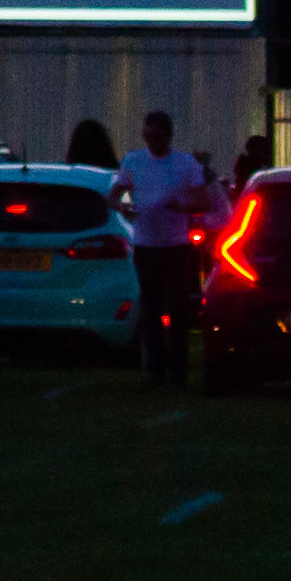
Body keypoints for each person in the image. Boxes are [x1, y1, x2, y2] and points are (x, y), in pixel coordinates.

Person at [114, 109, 224, 385]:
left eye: (157, 136)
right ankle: (156, 368)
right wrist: (123, 207)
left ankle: (178, 368)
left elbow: (203, 203)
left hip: (176, 246)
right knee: (150, 308)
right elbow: (114, 193)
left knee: (177, 307)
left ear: (168, 136)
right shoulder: (134, 161)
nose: (152, 141)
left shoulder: (185, 164)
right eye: (148, 135)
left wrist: (181, 207)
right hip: (146, 245)